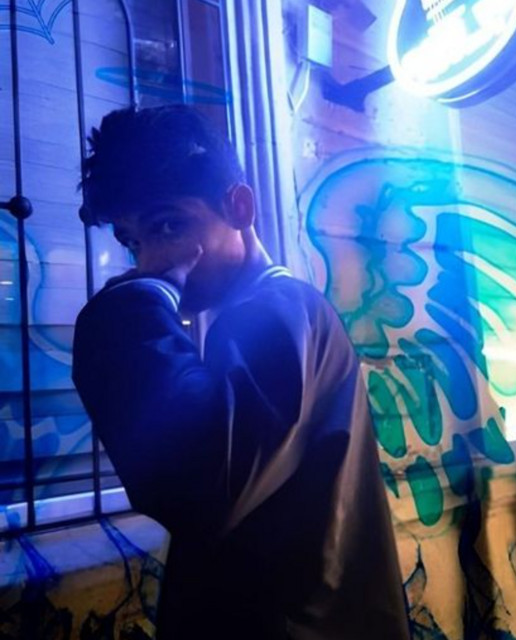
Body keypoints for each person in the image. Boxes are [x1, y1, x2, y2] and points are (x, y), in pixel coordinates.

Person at [72, 105, 409, 640]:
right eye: (133, 241)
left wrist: (135, 307)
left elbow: (200, 483)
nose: (149, 260)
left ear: (240, 206)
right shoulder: (253, 315)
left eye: (169, 225)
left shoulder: (275, 311)